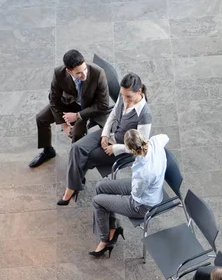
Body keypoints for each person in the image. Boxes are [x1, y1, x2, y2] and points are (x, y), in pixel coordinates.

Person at [57, 73, 152, 205]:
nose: (124, 99)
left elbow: (141, 147)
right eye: (123, 95)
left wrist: (115, 148)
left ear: (139, 91)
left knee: (86, 157)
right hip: (110, 133)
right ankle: (73, 186)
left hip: (122, 148)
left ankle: (72, 187)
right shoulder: (123, 94)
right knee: (76, 148)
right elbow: (113, 115)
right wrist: (105, 134)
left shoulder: (145, 114)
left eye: (128, 97)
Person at [89, 129, 169, 258]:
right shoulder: (155, 142)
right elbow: (165, 136)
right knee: (100, 187)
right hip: (145, 190)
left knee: (97, 201)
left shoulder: (143, 172)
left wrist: (119, 198)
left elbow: (136, 193)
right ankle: (113, 228)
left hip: (142, 204)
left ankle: (105, 241)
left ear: (131, 150)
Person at [29, 50, 109, 168]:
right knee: (41, 118)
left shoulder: (98, 73)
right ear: (68, 71)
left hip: (88, 108)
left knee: (76, 133)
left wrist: (77, 115)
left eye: (85, 69)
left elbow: (103, 104)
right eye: (79, 73)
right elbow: (53, 99)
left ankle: (77, 166)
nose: (84, 75)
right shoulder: (59, 73)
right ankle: (48, 151)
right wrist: (63, 124)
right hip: (69, 103)